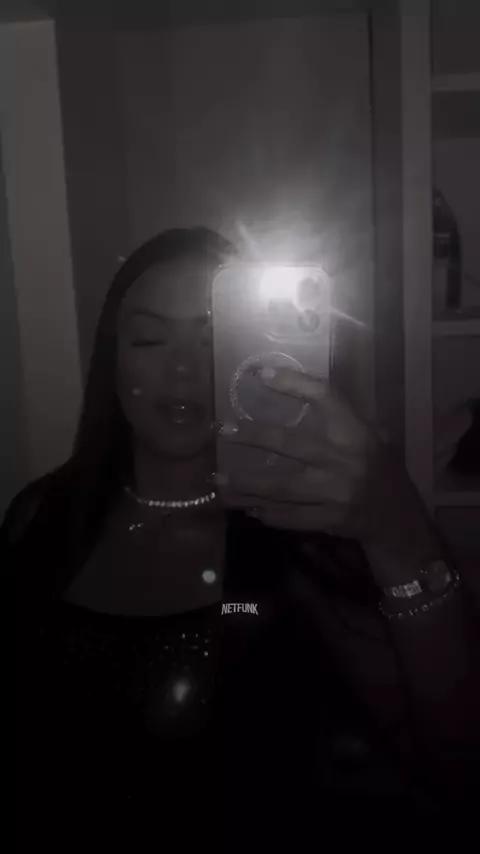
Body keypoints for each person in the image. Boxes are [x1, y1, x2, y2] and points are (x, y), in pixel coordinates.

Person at [8, 227, 480, 851]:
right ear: (111, 363)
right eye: (149, 338)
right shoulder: (40, 514)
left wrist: (401, 530)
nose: (183, 369)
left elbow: (459, 769)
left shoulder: (306, 533)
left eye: (214, 339)